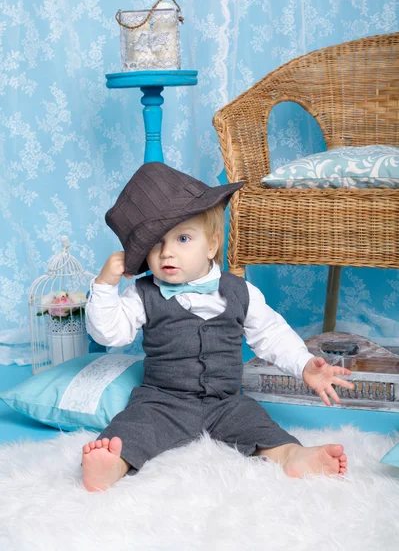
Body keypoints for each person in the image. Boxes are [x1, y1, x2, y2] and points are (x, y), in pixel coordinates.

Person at [82, 162, 354, 493]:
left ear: (211, 245)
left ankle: (291, 455)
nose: (167, 252)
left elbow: (272, 335)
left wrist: (304, 365)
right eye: (156, 243)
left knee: (259, 424)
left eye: (183, 238)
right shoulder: (142, 293)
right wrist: (105, 286)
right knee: (135, 426)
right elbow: (110, 334)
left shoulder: (241, 292)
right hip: (162, 400)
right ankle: (112, 463)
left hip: (226, 401)